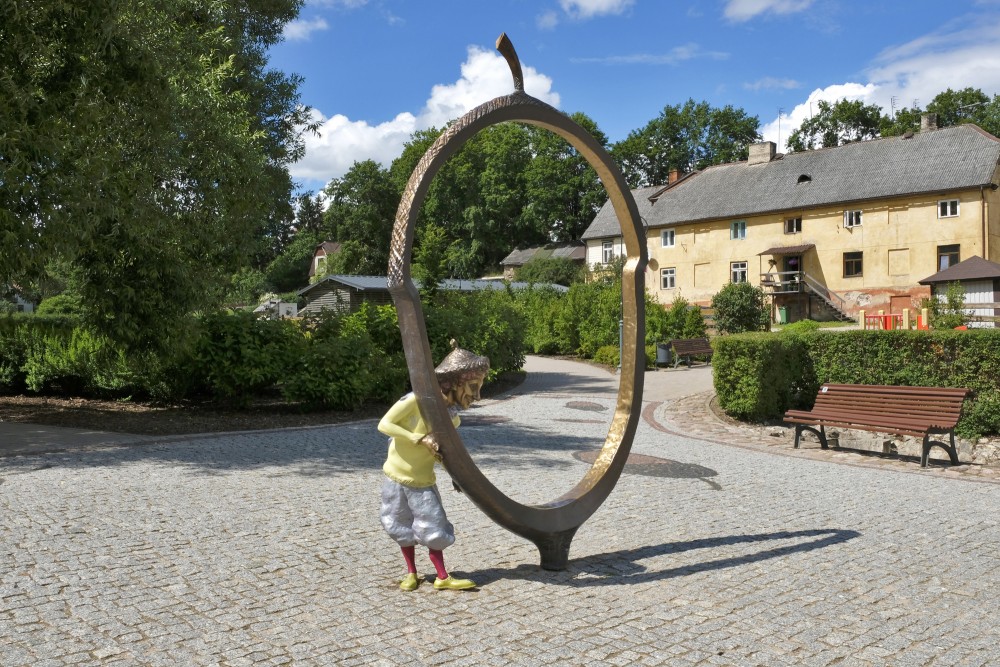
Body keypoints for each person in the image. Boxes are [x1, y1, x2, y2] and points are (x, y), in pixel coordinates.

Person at [377, 341, 489, 591]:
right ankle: (411, 573)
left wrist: (456, 475)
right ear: (456, 382)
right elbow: (385, 424)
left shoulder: (453, 420)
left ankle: (441, 576)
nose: (477, 395)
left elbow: (442, 454)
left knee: (433, 524)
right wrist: (420, 438)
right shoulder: (416, 400)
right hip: (395, 475)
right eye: (473, 386)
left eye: (480, 387)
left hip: (422, 480)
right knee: (399, 524)